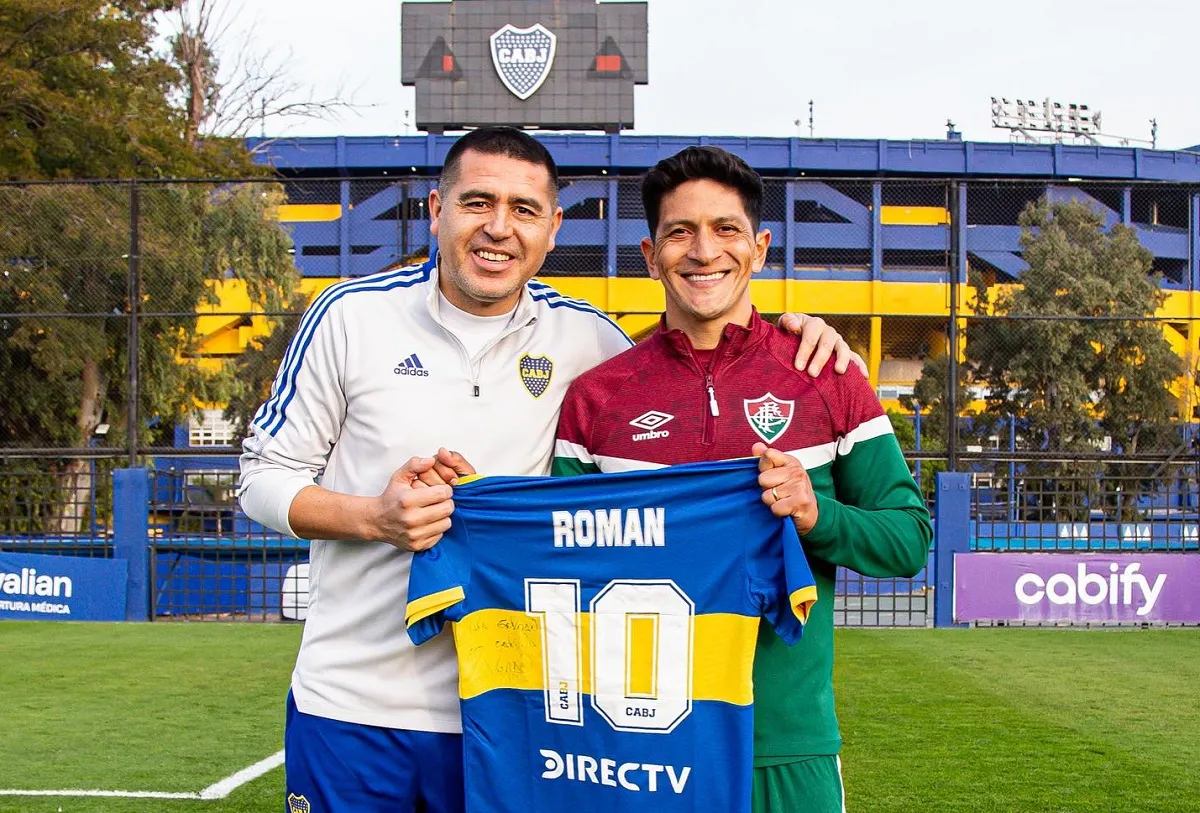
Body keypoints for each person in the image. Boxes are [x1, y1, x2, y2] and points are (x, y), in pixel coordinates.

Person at [238, 127, 862, 813]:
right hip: (349, 700)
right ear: (436, 208)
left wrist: (792, 333)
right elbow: (261, 478)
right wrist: (375, 518)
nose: (498, 228)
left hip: (514, 713)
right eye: (477, 202)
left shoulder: (590, 341)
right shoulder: (351, 317)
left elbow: (685, 375)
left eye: (524, 209)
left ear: (554, 227)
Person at [552, 145, 934, 812]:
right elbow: (559, 568)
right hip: (637, 751)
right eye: (680, 231)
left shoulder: (827, 374)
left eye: (725, 229)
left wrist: (818, 514)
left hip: (785, 749)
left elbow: (909, 539)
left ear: (758, 247)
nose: (704, 251)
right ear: (650, 255)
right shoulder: (595, 399)